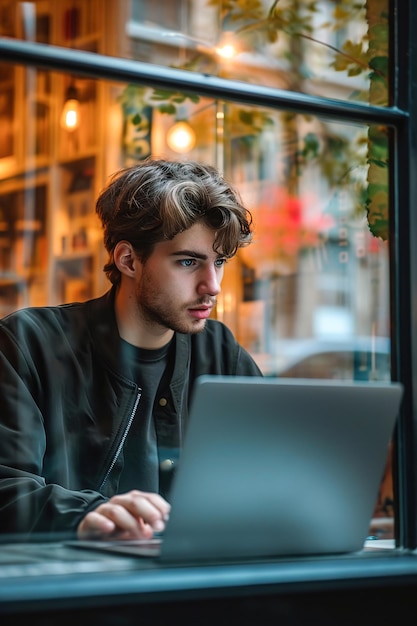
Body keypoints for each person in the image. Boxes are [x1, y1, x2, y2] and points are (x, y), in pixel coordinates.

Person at [0, 158, 262, 541]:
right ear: (128, 260)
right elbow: (6, 486)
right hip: (75, 588)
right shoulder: (30, 343)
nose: (213, 285)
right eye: (188, 262)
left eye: (219, 262)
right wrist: (89, 515)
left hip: (198, 581)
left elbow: (267, 478)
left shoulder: (222, 353)